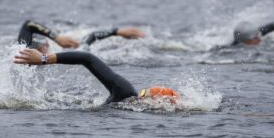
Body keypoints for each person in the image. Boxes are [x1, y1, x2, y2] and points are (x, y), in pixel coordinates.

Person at [13, 48, 179, 104]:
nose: (142, 93)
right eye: (144, 92)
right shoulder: (126, 91)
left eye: (144, 93)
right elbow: (87, 58)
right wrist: (42, 58)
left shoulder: (126, 95)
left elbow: (88, 58)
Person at [17, 20, 145, 54]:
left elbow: (29, 24)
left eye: (45, 44)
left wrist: (57, 38)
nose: (45, 46)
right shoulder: (21, 53)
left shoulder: (61, 49)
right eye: (43, 46)